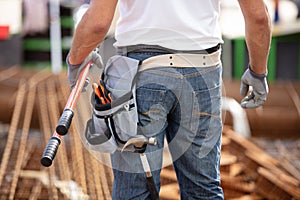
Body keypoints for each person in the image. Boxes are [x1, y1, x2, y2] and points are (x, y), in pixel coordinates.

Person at [67, 0, 271, 199]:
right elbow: (258, 17)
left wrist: (75, 60)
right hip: (203, 70)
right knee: (203, 189)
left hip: (141, 73)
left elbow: (98, 22)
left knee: (135, 190)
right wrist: (258, 72)